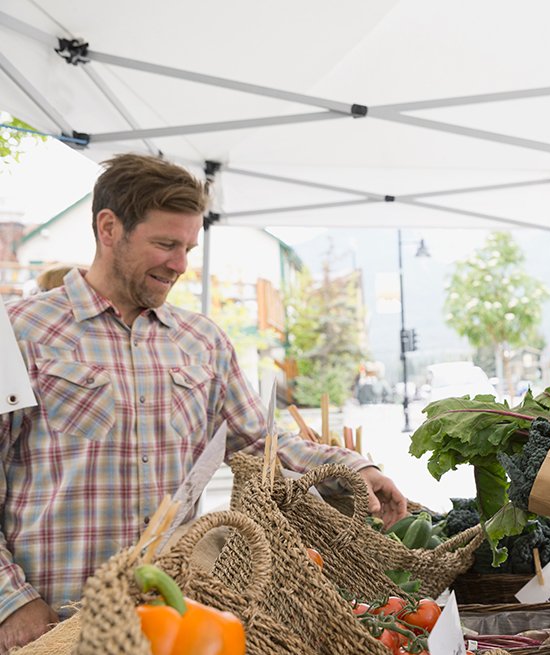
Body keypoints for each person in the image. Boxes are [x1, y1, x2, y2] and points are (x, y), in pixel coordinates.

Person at [0, 153, 408, 652]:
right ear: (109, 228)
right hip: (57, 624)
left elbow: (261, 442)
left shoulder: (202, 342)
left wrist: (352, 468)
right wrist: (11, 600)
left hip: (173, 619)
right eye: (166, 244)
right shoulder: (17, 333)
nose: (180, 264)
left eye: (188, 247)